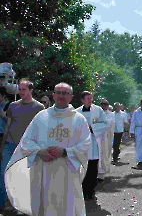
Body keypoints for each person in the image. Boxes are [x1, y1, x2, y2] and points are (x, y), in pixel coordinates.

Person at [4, 82, 91, 216]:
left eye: (65, 93)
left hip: (66, 171)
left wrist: (64, 151)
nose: (61, 96)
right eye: (58, 93)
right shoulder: (41, 116)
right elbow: (27, 141)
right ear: (53, 95)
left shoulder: (79, 119)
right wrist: (39, 151)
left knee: (66, 205)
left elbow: (85, 144)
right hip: (42, 169)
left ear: (71, 97)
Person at [0, 79, 44, 213]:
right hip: (10, 145)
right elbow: (8, 124)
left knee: (24, 176)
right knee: (3, 174)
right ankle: (2, 203)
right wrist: (2, 146)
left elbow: (40, 129)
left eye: (24, 89)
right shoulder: (13, 106)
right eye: (19, 89)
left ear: (31, 90)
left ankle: (22, 207)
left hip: (28, 147)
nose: (21, 92)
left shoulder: (39, 108)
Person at [75, 91, 109, 201]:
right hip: (82, 143)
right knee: (84, 167)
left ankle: (92, 191)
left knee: (93, 168)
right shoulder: (76, 112)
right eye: (88, 98)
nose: (90, 100)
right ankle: (83, 191)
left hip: (94, 142)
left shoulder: (98, 110)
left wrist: (92, 127)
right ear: (82, 100)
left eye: (91, 98)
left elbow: (105, 123)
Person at [97, 99, 114, 182]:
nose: (103, 106)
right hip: (97, 137)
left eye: (105, 104)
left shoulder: (111, 114)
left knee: (105, 154)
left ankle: (102, 173)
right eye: (102, 104)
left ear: (108, 105)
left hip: (106, 137)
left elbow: (109, 125)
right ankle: (97, 172)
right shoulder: (97, 113)